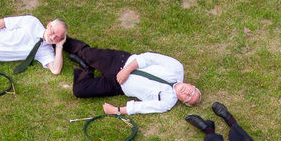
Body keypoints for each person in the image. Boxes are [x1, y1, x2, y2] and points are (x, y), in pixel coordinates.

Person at [62, 36, 200, 115]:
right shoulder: (177, 68)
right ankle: (57, 40)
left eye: (188, 97)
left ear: (182, 101)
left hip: (117, 85)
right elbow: (149, 57)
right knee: (86, 53)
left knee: (79, 91)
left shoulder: (167, 103)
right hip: (120, 62)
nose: (188, 92)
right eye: (192, 91)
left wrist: (116, 110)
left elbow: (142, 107)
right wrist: (127, 69)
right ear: (191, 85)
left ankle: (86, 68)